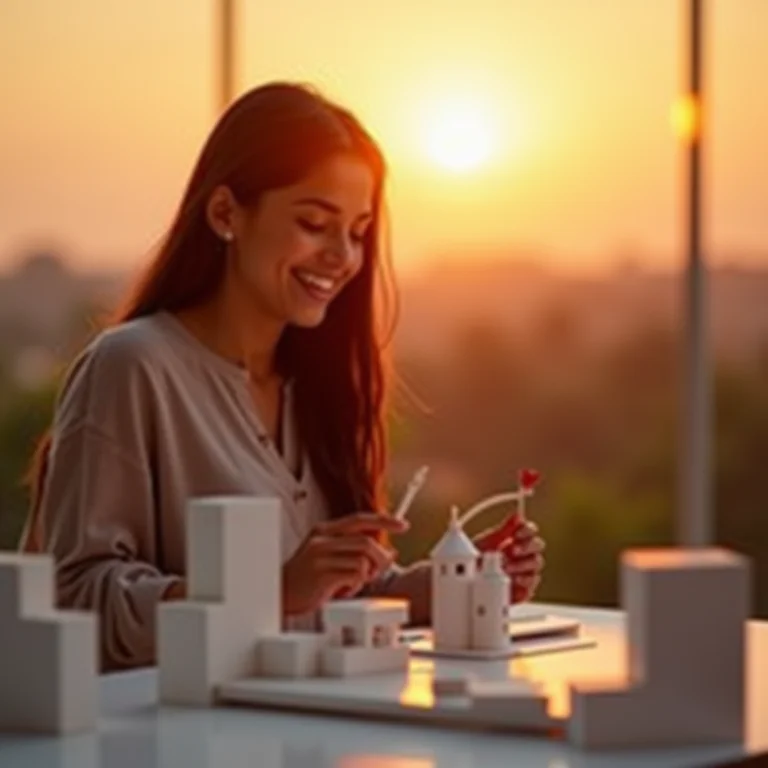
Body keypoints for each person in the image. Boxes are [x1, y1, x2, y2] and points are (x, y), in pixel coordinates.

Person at [19, 82, 545, 672]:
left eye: (356, 232)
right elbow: (73, 603)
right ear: (225, 214)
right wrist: (267, 590)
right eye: (315, 223)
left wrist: (460, 583)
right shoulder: (131, 368)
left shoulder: (317, 388)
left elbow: (321, 603)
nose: (343, 257)